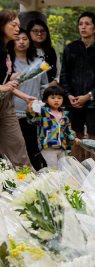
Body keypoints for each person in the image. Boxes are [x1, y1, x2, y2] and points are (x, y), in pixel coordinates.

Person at [60, 11, 95, 157]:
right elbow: (64, 75)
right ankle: (76, 169)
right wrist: (69, 95)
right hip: (73, 102)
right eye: (81, 24)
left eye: (87, 24)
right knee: (75, 137)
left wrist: (88, 96)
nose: (83, 27)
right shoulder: (71, 48)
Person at [7, 30, 48, 169]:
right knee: (16, 147)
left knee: (33, 147)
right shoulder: (9, 63)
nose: (21, 42)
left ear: (30, 41)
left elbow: (44, 85)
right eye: (18, 39)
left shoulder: (38, 62)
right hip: (12, 112)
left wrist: (41, 104)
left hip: (33, 112)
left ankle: (36, 174)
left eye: (25, 39)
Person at [0, 11, 30, 166]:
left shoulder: (8, 49)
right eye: (13, 25)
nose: (18, 29)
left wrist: (23, 95)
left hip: (6, 103)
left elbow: (5, 82)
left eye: (19, 25)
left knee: (17, 143)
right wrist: (2, 87)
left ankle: (25, 178)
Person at [26, 85, 75, 169]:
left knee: (64, 168)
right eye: (52, 98)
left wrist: (73, 137)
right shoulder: (43, 112)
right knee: (53, 168)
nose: (56, 100)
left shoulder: (65, 115)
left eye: (59, 98)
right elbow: (32, 120)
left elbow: (68, 129)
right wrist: (29, 111)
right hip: (48, 146)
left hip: (62, 146)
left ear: (63, 100)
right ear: (46, 99)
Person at [25, 18, 57, 84]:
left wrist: (55, 81)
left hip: (49, 87)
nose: (39, 33)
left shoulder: (51, 51)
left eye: (42, 31)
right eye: (35, 31)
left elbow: (58, 71)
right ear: (28, 33)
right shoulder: (24, 50)